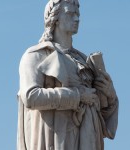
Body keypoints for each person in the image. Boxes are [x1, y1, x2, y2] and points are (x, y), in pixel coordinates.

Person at [17, 0, 118, 150]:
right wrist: (77, 96)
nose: (77, 18)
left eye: (78, 14)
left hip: (88, 140)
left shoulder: (84, 61)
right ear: (55, 18)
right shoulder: (36, 56)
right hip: (55, 140)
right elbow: (31, 96)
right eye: (70, 14)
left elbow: (102, 115)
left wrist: (109, 96)